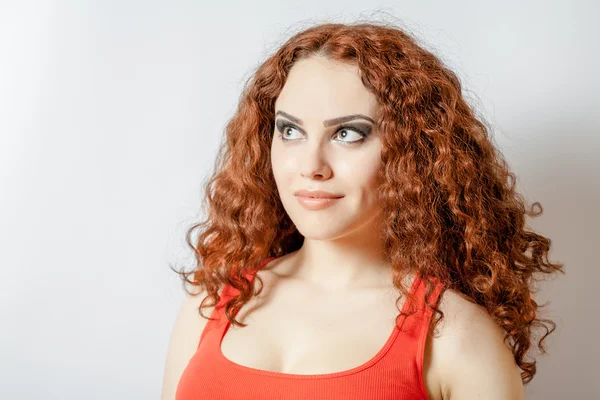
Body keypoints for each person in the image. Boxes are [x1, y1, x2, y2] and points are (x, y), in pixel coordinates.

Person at [161, 21, 564, 400]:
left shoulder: (453, 335)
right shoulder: (213, 298)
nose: (311, 166)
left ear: (411, 153)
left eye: (347, 133)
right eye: (290, 131)